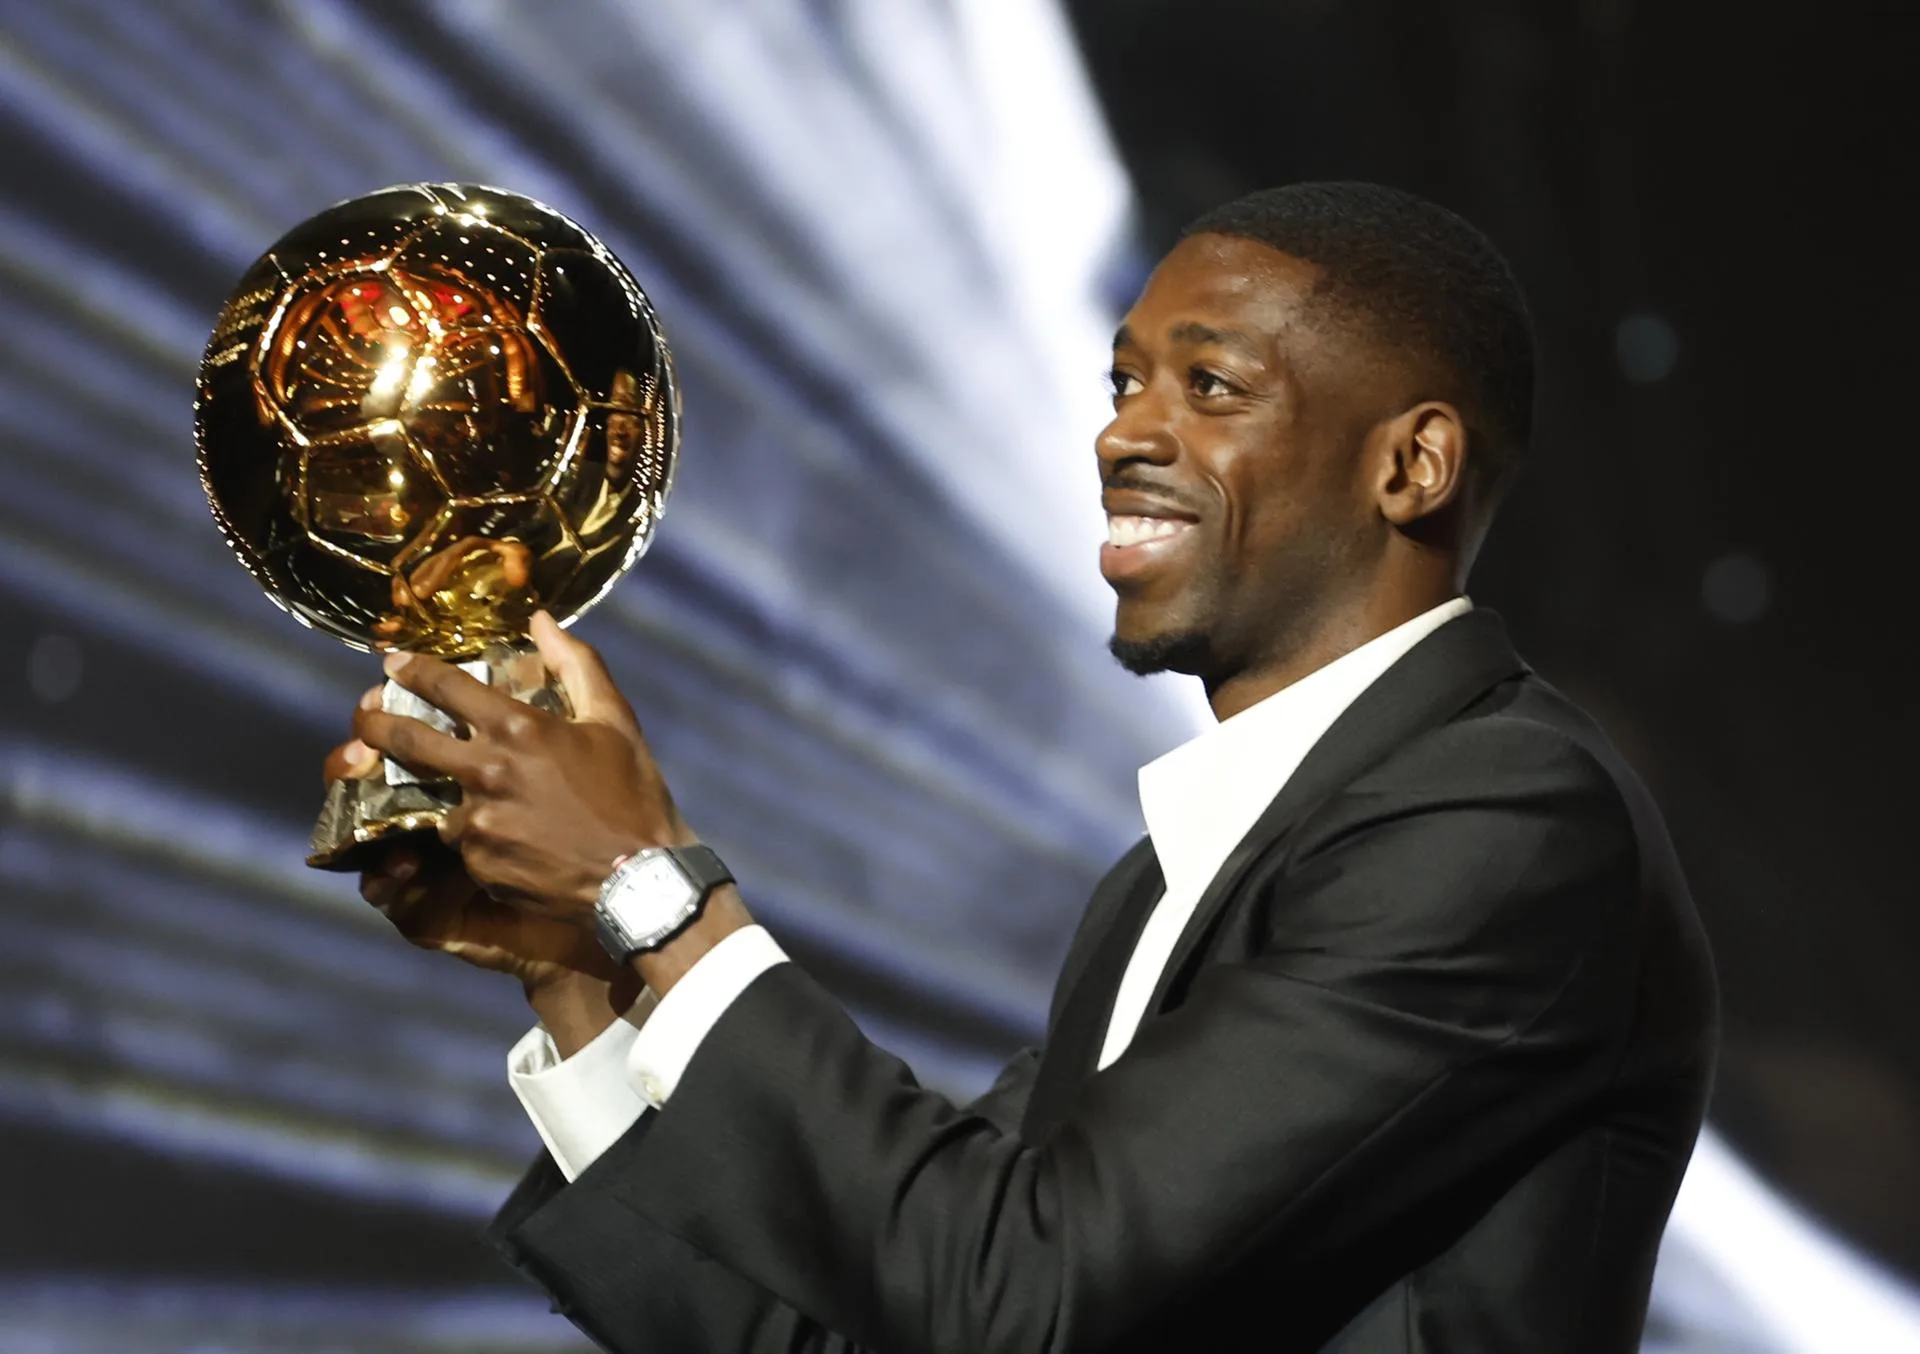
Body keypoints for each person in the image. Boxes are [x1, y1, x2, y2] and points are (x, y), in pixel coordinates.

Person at [331, 181, 1717, 1352]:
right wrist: (579, 966)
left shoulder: (1503, 820)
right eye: (1124, 380)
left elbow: (1022, 1292)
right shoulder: (1161, 891)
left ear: (1409, 465)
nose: (1123, 430)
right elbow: (865, 1314)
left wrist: (656, 892)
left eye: (1211, 385)